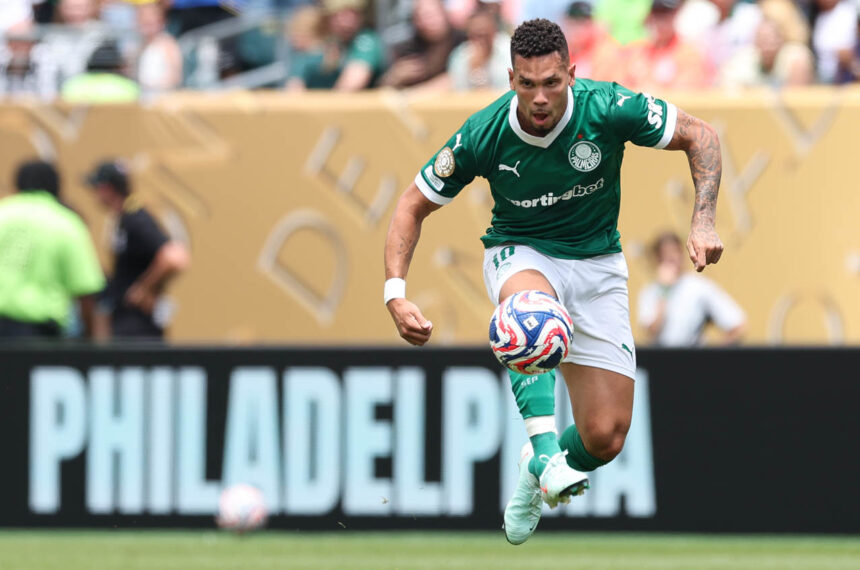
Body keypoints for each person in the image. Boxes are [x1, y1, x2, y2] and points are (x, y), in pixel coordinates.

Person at [383, 18, 724, 545]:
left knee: (606, 436)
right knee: (531, 315)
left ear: (571, 73)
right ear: (511, 79)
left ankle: (533, 467)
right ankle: (545, 457)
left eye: (551, 83)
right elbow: (411, 205)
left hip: (597, 263)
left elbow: (701, 136)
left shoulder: (608, 107)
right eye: (527, 84)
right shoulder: (484, 133)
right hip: (521, 251)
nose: (539, 98)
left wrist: (702, 221)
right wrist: (395, 293)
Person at [0, 160, 105, 339]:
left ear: (16, 186)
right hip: (39, 335)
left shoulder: (3, 213)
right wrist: (90, 339)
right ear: (57, 188)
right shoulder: (66, 223)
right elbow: (85, 291)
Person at [86, 160, 190, 340]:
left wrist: (144, 288)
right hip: (127, 322)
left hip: (137, 327)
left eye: (97, 188)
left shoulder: (135, 218)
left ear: (107, 188)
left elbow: (176, 257)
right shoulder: (124, 218)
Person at [638, 231, 745, 346]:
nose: (671, 259)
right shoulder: (650, 291)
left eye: (674, 252)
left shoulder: (699, 287)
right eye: (664, 255)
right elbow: (651, 331)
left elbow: (737, 325)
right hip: (660, 355)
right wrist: (664, 291)